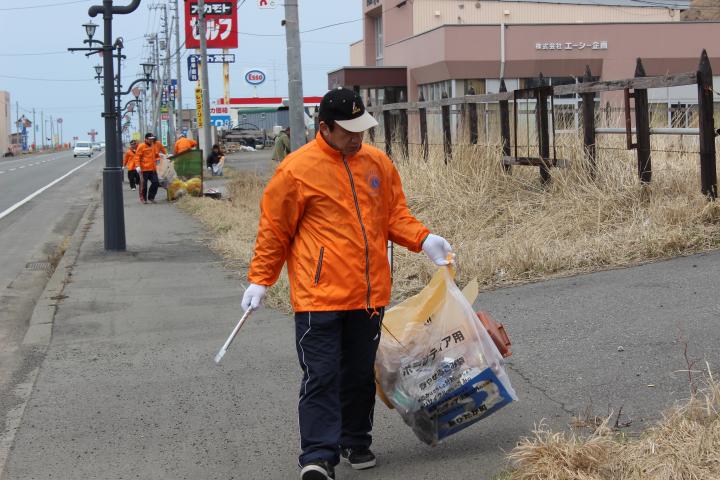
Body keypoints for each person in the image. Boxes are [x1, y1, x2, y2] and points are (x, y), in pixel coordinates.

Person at [241, 87, 453, 480]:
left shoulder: (377, 163)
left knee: (358, 373)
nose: (357, 138)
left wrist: (424, 239)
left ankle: (355, 439)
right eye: (348, 130)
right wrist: (260, 280)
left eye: (362, 129)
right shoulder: (296, 170)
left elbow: (394, 216)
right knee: (321, 375)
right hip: (316, 297)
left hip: (368, 294)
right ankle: (318, 456)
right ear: (324, 127)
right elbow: (275, 231)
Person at [133, 133, 167, 204]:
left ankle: (151, 197)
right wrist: (137, 166)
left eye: (152, 139)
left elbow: (155, 155)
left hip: (152, 168)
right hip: (143, 169)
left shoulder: (152, 146)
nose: (152, 140)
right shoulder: (141, 146)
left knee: (156, 183)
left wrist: (162, 156)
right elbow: (137, 156)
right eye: (150, 139)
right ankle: (143, 199)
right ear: (146, 139)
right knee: (143, 185)